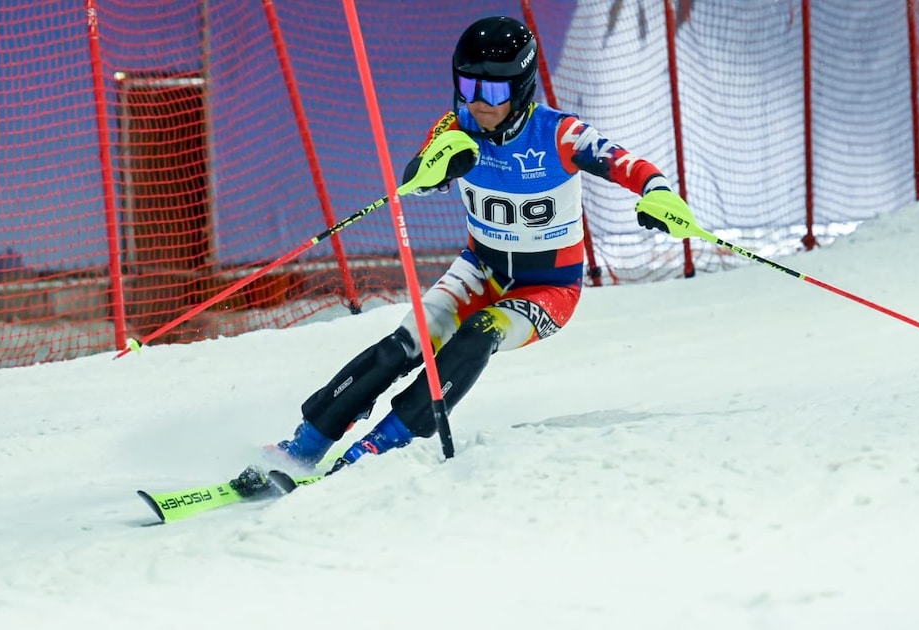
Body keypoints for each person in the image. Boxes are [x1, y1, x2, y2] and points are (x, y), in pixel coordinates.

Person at [231, 15, 689, 495]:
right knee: (402, 347)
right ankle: (303, 444)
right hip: (480, 269)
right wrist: (436, 167)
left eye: (493, 91)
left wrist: (657, 193)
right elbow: (417, 179)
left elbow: (627, 165)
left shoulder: (559, 134)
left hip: (548, 288)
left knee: (478, 334)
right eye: (468, 86)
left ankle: (382, 445)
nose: (478, 102)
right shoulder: (457, 128)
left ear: (521, 88)